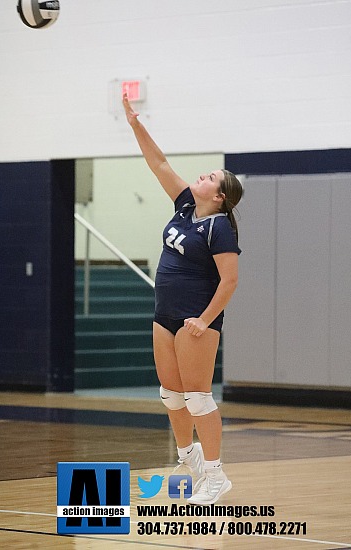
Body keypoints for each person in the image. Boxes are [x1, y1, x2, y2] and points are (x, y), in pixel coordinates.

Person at [123, 94, 244, 505]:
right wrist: (136, 124)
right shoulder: (185, 206)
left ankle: (215, 474)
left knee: (197, 395)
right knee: (170, 394)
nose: (202, 177)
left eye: (210, 177)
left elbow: (229, 281)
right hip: (166, 313)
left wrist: (206, 319)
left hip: (196, 318)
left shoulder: (219, 229)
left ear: (221, 196)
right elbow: (159, 164)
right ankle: (188, 458)